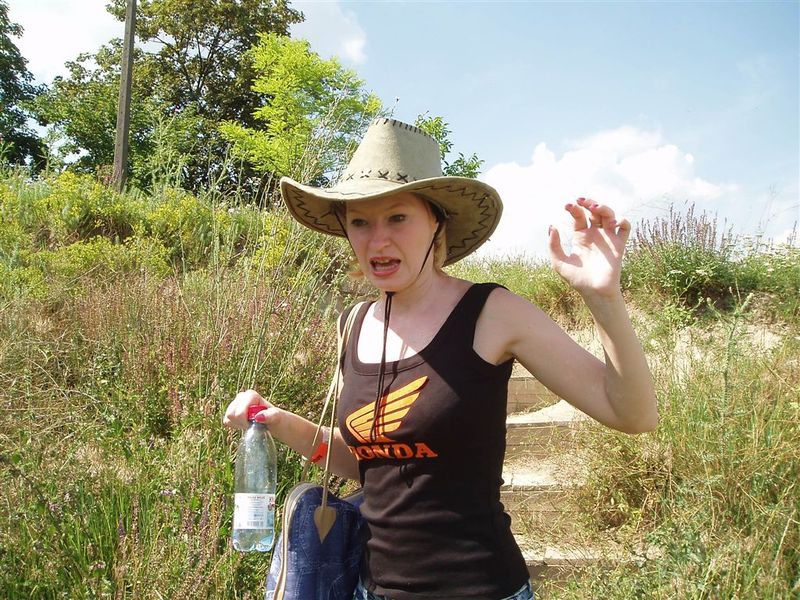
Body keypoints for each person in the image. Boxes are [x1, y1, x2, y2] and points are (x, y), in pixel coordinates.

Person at [224, 118, 658, 600]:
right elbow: (365, 463)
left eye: (397, 217)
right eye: (360, 221)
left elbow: (633, 415)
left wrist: (604, 298)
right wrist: (279, 422)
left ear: (437, 222)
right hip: (371, 590)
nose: (377, 240)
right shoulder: (354, 323)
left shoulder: (492, 313)